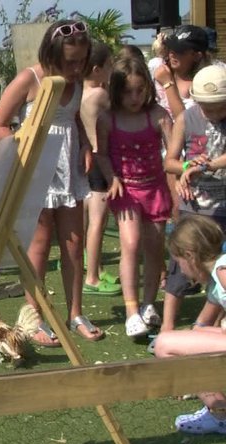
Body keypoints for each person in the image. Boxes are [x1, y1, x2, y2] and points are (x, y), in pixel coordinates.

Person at [0, 20, 101, 345]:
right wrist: (25, 154)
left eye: (82, 61)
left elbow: (74, 118)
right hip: (36, 170)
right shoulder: (30, 79)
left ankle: (75, 313)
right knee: (38, 245)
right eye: (70, 61)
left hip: (69, 169)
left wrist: (85, 145)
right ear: (51, 54)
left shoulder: (76, 81)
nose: (77, 68)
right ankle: (35, 318)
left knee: (74, 243)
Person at [96, 57, 173, 337]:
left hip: (155, 188)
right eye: (128, 91)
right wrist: (112, 178)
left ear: (148, 88)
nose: (134, 97)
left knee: (154, 247)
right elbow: (102, 154)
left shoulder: (158, 115)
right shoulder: (108, 119)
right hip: (126, 190)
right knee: (130, 244)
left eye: (140, 90)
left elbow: (174, 150)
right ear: (116, 90)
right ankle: (131, 311)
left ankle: (148, 303)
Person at [162, 65, 226, 331]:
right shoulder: (186, 119)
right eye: (208, 108)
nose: (214, 114)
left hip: (223, 207)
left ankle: (211, 328)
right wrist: (188, 167)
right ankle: (166, 326)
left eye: (219, 108)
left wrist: (209, 165)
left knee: (219, 270)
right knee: (180, 269)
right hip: (195, 207)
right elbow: (170, 162)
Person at [154, 214, 226, 434]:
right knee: (184, 338)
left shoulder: (223, 270)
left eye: (178, 262)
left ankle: (221, 415)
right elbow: (200, 327)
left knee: (164, 345)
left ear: (189, 255)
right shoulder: (216, 279)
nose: (181, 270)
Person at [80, 41, 121, 296]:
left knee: (89, 217)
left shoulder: (81, 92)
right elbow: (120, 110)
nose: (112, 69)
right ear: (97, 69)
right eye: (109, 65)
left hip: (87, 159)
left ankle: (93, 265)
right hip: (99, 160)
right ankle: (92, 277)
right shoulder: (100, 95)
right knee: (98, 221)